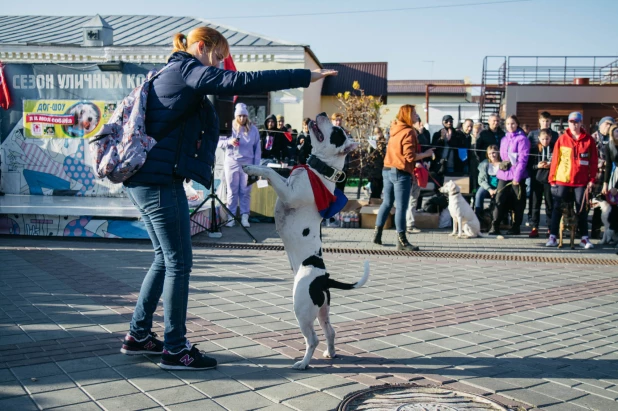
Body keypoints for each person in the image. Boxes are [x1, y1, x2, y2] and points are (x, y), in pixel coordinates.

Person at [120, 26, 336, 370]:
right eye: (219, 57)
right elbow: (241, 82)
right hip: (158, 181)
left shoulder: (174, 71)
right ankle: (175, 348)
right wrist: (305, 76)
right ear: (202, 48)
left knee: (165, 259)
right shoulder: (187, 69)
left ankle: (139, 335)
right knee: (178, 261)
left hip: (146, 179)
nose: (222, 66)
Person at [372, 105, 433, 250]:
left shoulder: (394, 129)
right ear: (407, 115)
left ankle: (377, 234)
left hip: (387, 169)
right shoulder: (409, 132)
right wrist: (426, 154)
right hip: (401, 172)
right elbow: (410, 156)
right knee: (401, 207)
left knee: (387, 203)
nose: (417, 116)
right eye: (414, 114)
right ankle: (402, 241)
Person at [546, 112, 598, 249]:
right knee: (557, 207)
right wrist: (552, 178)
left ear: (581, 123)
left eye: (576, 122)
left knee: (581, 208)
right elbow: (555, 160)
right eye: (571, 122)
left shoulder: (589, 140)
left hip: (581, 181)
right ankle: (553, 236)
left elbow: (593, 162)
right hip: (563, 178)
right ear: (568, 123)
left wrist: (592, 179)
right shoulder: (562, 139)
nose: (574, 125)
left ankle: (584, 238)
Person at [219, 103, 261, 228]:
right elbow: (218, 142)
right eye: (240, 116)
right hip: (231, 162)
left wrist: (256, 167)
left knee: (246, 191)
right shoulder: (229, 127)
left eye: (244, 116)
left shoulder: (253, 129)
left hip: (247, 163)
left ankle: (244, 216)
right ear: (236, 116)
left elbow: (257, 149)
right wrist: (229, 141)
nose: (242, 118)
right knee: (232, 191)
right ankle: (231, 217)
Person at [488, 115, 530, 236]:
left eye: (512, 123)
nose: (510, 126)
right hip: (504, 174)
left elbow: (523, 160)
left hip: (517, 175)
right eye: (507, 124)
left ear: (517, 124)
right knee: (499, 200)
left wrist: (517, 177)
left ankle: (516, 226)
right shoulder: (503, 139)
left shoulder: (522, 139)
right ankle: (495, 225)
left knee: (518, 202)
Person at [527, 112, 559, 222]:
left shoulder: (555, 135)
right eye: (543, 121)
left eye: (548, 121)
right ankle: (532, 220)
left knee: (549, 200)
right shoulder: (532, 134)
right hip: (536, 173)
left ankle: (550, 223)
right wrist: (536, 165)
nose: (545, 123)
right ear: (540, 121)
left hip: (549, 173)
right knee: (535, 198)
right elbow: (529, 154)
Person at [591, 116, 615, 239]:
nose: (609, 126)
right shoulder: (593, 138)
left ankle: (605, 231)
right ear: (600, 125)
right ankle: (588, 230)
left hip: (611, 176)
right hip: (596, 176)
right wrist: (602, 163)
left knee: (608, 204)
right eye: (606, 123)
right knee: (593, 203)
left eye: (611, 124)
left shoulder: (614, 139)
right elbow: (590, 156)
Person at [527, 129, 554, 238]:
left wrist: (550, 165)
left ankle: (550, 227)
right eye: (543, 139)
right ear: (539, 139)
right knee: (535, 203)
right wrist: (537, 166)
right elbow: (529, 166)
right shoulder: (534, 149)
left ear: (550, 138)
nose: (545, 141)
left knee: (549, 203)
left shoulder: (554, 149)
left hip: (549, 180)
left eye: (547, 139)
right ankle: (534, 227)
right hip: (536, 179)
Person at [430, 115, 465, 185]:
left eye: (451, 121)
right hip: (440, 164)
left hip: (453, 164)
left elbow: (459, 146)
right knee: (440, 184)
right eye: (447, 121)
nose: (449, 123)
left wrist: (450, 139)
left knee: (452, 184)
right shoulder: (437, 134)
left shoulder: (458, 134)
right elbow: (434, 147)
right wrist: (441, 139)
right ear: (443, 122)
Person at [475, 145, 501, 219]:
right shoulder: (484, 164)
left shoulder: (502, 163)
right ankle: (479, 218)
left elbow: (505, 179)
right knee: (479, 194)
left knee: (500, 197)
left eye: (493, 153)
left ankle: (497, 218)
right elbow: (481, 180)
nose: (492, 155)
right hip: (487, 186)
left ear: (498, 152)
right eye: (489, 153)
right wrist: (490, 189)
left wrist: (497, 190)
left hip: (499, 187)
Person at [365, 127, 387, 199]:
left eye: (378, 132)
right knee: (374, 189)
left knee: (380, 189)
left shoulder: (384, 142)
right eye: (375, 133)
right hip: (374, 169)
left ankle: (377, 204)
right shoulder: (372, 142)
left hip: (383, 168)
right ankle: (372, 204)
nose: (377, 135)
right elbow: (369, 155)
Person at [331, 112, 349, 192]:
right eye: (336, 120)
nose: (338, 122)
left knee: (340, 189)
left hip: (342, 165)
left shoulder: (345, 133)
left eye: (340, 120)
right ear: (332, 121)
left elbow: (349, 146)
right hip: (330, 165)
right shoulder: (328, 132)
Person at [602, 124, 618, 197]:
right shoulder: (608, 146)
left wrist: (616, 186)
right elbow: (608, 165)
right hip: (615, 174)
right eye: (616, 131)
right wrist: (605, 183)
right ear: (612, 133)